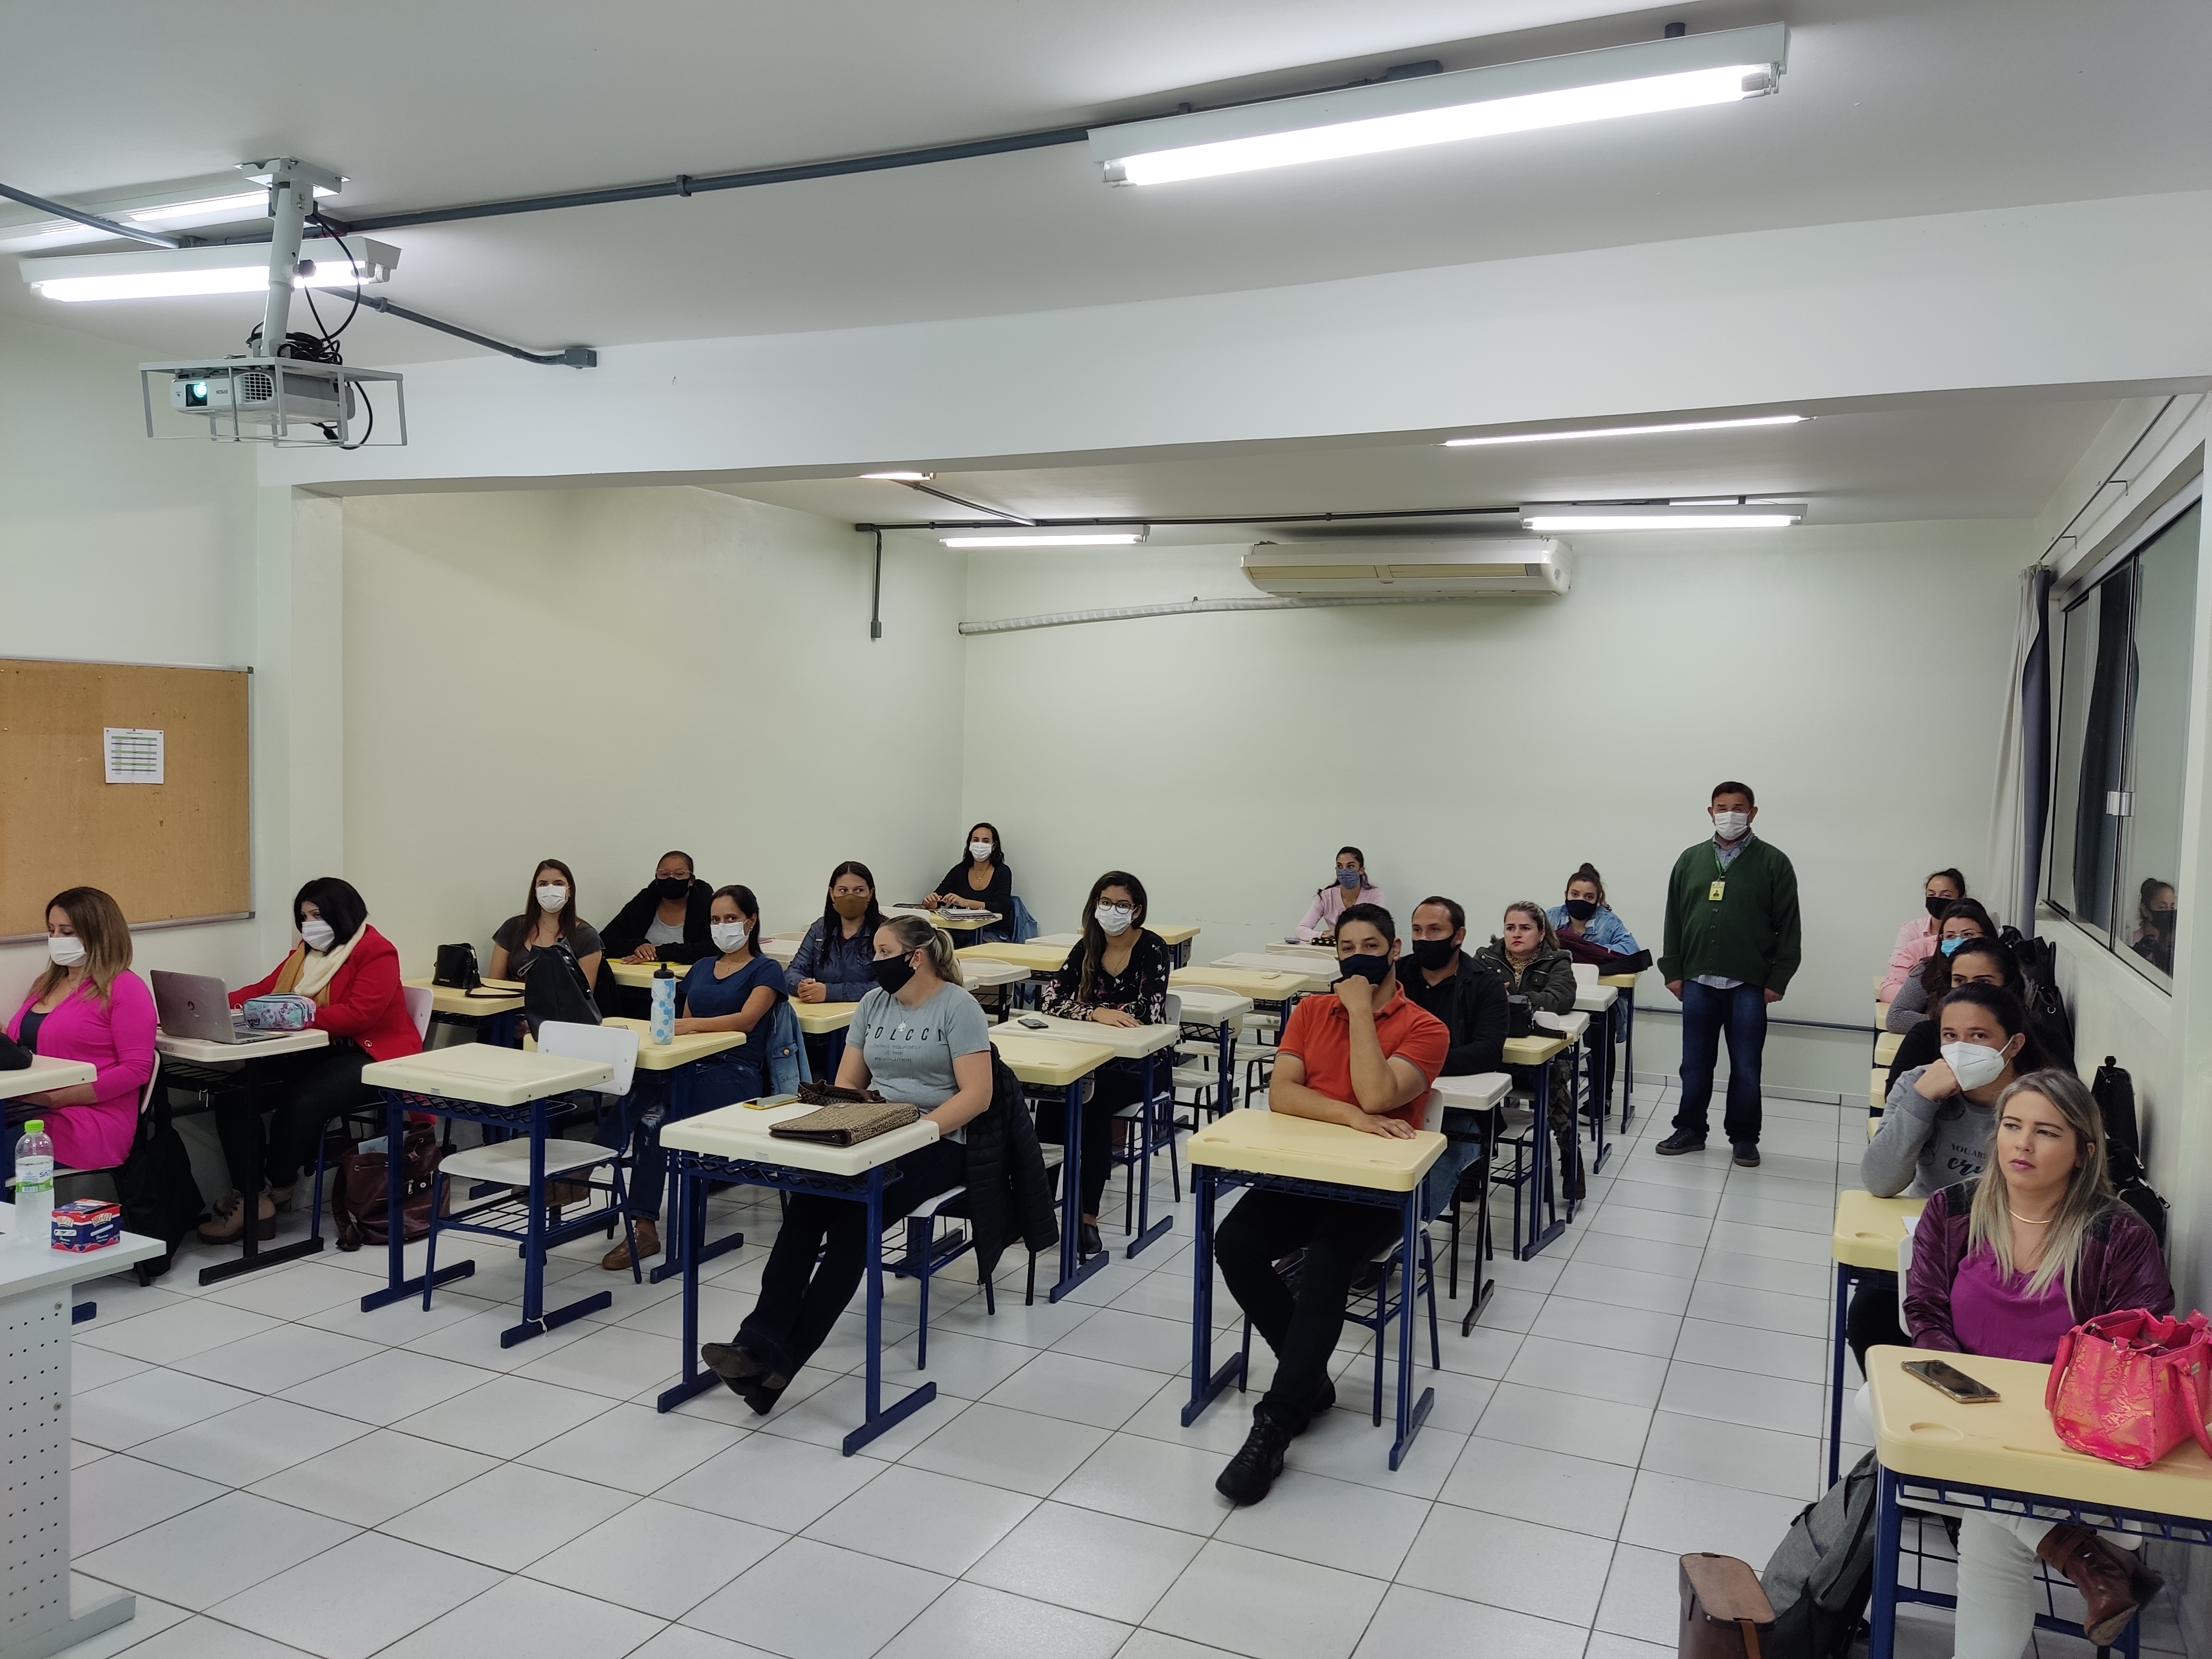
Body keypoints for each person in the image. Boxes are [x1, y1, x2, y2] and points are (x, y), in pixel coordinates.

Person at [1901, 1071, 2170, 1654]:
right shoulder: (1954, 1208)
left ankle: (2076, 1552)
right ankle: (2084, 1556)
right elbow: (1923, 1308)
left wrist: (2054, 1406)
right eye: (2011, 1126)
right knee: (1869, 1403)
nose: (2022, 1144)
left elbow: (2142, 1344)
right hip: (1968, 1407)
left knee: (1987, 1517)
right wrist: (1959, 1381)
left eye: (2046, 1132)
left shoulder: (2121, 1234)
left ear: (2083, 1152)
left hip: (2067, 1426)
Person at [700, 915, 989, 1412]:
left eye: (883, 953)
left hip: (939, 1141)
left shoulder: (958, 1007)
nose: (875, 962)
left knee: (855, 1224)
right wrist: (852, 1125)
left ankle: (781, 1362)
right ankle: (756, 1344)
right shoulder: (873, 1005)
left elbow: (977, 1095)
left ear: (915, 957)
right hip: (875, 1132)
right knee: (806, 1209)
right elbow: (848, 1085)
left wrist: (918, 1130)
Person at [1213, 904, 1446, 1506]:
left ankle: (1276, 1423)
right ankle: (1309, 1376)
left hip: (1378, 1192)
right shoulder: (1311, 1010)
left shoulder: (1426, 1028)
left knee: (1325, 1263)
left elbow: (1378, 1092)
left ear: (1394, 951)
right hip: (1305, 1176)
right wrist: (1349, 1116)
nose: (1358, 957)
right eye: (1347, 948)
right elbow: (1282, 1095)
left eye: (1371, 946)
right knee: (1233, 1242)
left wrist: (1362, 1012)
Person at [206, 878, 421, 1243]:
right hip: (319, 1049)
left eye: (317, 915)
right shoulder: (305, 955)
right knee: (234, 1095)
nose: (309, 925)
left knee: (303, 1101)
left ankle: (278, 1185)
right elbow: (265, 991)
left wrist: (295, 1016)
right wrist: (216, 1007)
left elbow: (359, 1015)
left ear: (343, 913)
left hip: (371, 1054)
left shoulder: (377, 951)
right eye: (304, 917)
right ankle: (253, 1198)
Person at [1848, 983, 2046, 1368]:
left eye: (1979, 1036)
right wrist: (1922, 1100)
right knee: (1871, 1314)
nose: (1962, 1048)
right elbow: (1880, 1181)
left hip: (2014, 1252)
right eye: (1951, 1036)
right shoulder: (1918, 1083)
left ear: (2015, 1044)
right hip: (1932, 1243)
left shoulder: (2042, 1103)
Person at [599, 885, 784, 1270]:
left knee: (651, 1100)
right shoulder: (701, 967)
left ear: (751, 921)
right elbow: (678, 1026)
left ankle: (591, 1164)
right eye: (716, 920)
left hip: (736, 1074)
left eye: (731, 919)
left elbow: (746, 1021)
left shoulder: (766, 970)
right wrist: (681, 1029)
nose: (723, 926)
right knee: (651, 1111)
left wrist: (692, 1026)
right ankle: (644, 1228)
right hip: (691, 1068)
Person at [1656, 781, 1802, 1167]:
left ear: (1753, 813)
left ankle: (1744, 1137)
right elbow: (1674, 918)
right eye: (1722, 808)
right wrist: (1673, 970)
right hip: (1697, 981)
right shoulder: (1690, 860)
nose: (1730, 815)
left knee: (1747, 1066)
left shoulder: (1774, 863)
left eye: (1738, 808)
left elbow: (1789, 927)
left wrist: (1778, 979)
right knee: (1694, 1064)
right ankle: (1690, 1129)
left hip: (1749, 984)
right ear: (1711, 813)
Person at [1037, 871, 1172, 1256]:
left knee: (1091, 1100)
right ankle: (1040, 1209)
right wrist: (1096, 1013)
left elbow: (1148, 1011)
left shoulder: (1153, 948)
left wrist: (1090, 1011)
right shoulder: (1087, 946)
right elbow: (1050, 999)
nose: (1112, 911)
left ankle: (1086, 1216)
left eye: (1122, 905)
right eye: (1106, 902)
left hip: (1141, 1065)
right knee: (1054, 1096)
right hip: (1088, 1057)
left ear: (1137, 911)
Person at [3, 887, 156, 1197]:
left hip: (89, 1120)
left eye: (67, 931)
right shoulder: (46, 984)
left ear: (98, 933)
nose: (56, 939)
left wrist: (55, 1099)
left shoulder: (125, 988)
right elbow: (29, 1047)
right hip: (29, 1107)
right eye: (51, 930)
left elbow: (136, 1069)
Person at [1399, 897, 1509, 1220]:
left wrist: (1416, 1067)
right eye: (1417, 930)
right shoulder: (1396, 976)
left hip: (1460, 1113)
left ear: (1458, 936)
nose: (1424, 939)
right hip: (1393, 1102)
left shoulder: (1484, 984)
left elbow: (1488, 1052)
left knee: (1435, 1173)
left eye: (1435, 930)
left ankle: (1399, 1237)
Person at [1473, 901, 1583, 1198]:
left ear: (1541, 932)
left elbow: (1561, 998)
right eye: (1510, 928)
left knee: (1555, 1080)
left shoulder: (1557, 960)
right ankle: (1470, 1167)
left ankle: (1571, 1157)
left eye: (1525, 928)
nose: (1516, 934)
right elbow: (1468, 993)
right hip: (1495, 1055)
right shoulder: (1485, 958)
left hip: (1541, 1060)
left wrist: (1511, 1000)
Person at [1882, 937, 2027, 1093]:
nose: (1970, 989)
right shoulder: (1925, 1035)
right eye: (1960, 981)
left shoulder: (2038, 1039)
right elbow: (1894, 1097)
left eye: (1983, 982)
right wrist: (1923, 1096)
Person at [489, 859, 604, 1027]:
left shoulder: (586, 937)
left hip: (559, 1025)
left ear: (569, 891)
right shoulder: (513, 928)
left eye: (558, 884)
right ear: (535, 892)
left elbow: (580, 1000)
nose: (550, 890)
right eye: (543, 884)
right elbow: (494, 986)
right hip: (508, 1019)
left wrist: (536, 1025)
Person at [1882, 898, 1999, 1032]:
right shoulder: (1928, 970)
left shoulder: (2004, 970)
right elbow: (1896, 1018)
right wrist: (1949, 1024)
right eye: (1950, 936)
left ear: (1987, 936)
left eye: (1967, 935)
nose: (1958, 942)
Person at [786, 860, 884, 1005]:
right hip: (822, 1014)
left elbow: (887, 985)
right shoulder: (820, 929)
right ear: (832, 894)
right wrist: (802, 986)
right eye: (843, 891)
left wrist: (830, 992)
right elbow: (793, 971)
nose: (850, 897)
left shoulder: (886, 932)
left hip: (869, 1012)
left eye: (859, 891)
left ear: (870, 894)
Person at [601, 851, 714, 966]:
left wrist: (659, 952)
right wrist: (637, 946)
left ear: (691, 880)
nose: (671, 878)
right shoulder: (643, 903)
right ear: (656, 878)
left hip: (687, 976)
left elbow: (712, 948)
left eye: (679, 874)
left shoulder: (707, 906)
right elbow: (605, 940)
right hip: (637, 975)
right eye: (664, 874)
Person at [1877, 867, 1966, 1001]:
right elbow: (1893, 979)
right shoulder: (1912, 935)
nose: (1937, 900)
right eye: (1931, 894)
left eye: (1946, 896)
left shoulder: (1969, 934)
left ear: (1960, 898)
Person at [927, 823, 1014, 941]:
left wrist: (965, 903)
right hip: (961, 930)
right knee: (937, 943)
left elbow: (1002, 906)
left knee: (977, 945)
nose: (980, 845)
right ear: (970, 844)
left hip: (994, 931)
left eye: (986, 841)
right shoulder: (960, 870)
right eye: (976, 840)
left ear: (994, 846)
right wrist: (932, 902)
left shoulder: (1002, 872)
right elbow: (940, 898)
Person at [1547, 864, 1639, 957]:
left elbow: (1632, 950)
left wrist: (1590, 950)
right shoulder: (1551, 917)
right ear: (1566, 894)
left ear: (1598, 899)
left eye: (1589, 897)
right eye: (1575, 894)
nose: (1581, 900)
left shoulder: (1608, 922)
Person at [1296, 847, 1383, 942]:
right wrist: (1322, 935)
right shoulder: (1325, 897)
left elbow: (1379, 929)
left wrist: (1341, 934)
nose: (1344, 871)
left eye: (1350, 866)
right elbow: (1300, 930)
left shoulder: (1375, 896)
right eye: (1340, 867)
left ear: (1361, 870)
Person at [2130, 878, 2177, 974]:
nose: (2168, 912)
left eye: (2172, 907)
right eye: (2162, 907)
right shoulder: (2130, 940)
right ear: (2145, 910)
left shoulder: (2174, 945)